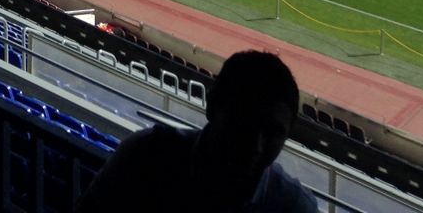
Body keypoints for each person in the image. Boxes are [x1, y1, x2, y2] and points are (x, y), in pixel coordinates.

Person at [75, 50, 316, 212]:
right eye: (243, 125)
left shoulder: (294, 206)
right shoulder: (146, 156)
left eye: (273, 133)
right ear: (212, 107)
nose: (256, 146)